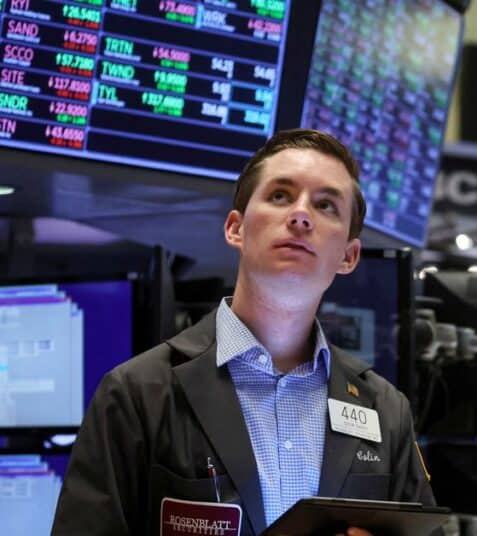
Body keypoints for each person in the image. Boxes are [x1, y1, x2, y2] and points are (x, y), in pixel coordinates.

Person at [52, 129, 433, 535]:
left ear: (348, 256)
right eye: (280, 196)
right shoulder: (138, 393)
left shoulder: (385, 409)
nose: (301, 215)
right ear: (236, 228)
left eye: (325, 205)